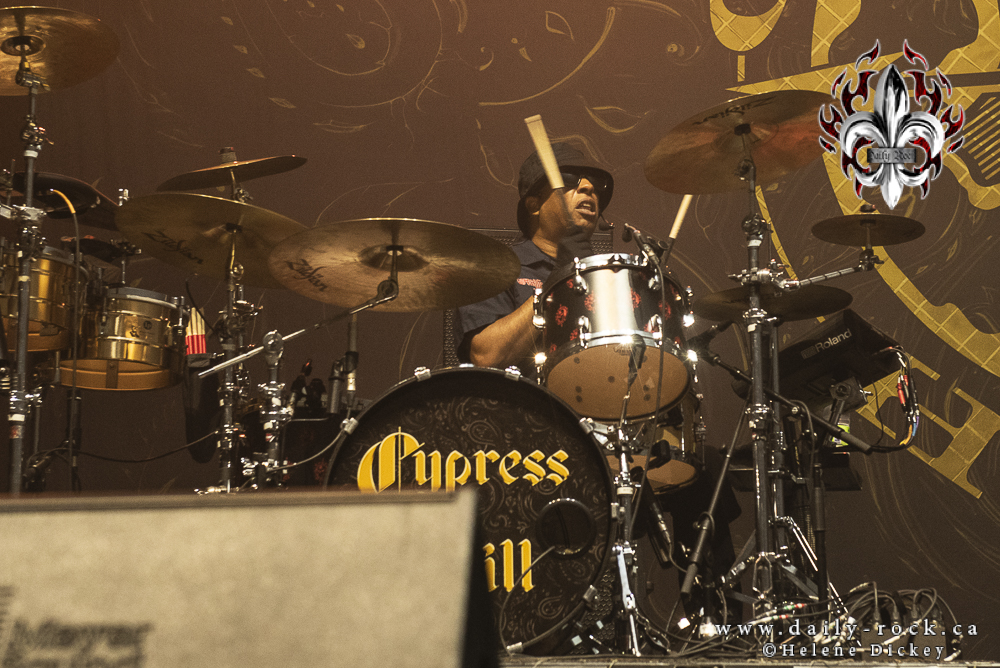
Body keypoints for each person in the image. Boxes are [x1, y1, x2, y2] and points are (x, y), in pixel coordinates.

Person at [456, 142, 612, 374]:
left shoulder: (609, 277)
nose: (589, 187)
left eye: (596, 184)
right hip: (522, 397)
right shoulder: (493, 268)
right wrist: (558, 281)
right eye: (570, 179)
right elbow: (486, 357)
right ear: (534, 204)